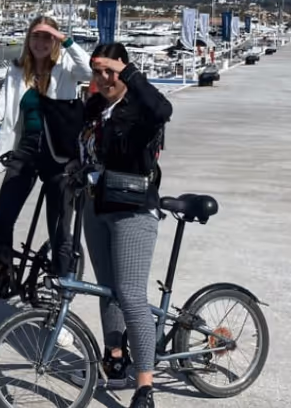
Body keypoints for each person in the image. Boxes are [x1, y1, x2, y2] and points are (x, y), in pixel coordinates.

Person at [0, 15, 92, 295]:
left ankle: (59, 299)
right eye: (36, 36)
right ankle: (3, 272)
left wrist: (67, 39)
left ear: (55, 41)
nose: (40, 43)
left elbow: (89, 72)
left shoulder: (66, 66)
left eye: (47, 37)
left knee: (60, 229)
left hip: (60, 155)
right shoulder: (17, 70)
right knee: (2, 218)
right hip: (26, 149)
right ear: (28, 39)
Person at [81, 42, 173, 408]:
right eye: (98, 72)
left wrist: (130, 72)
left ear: (123, 71)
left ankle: (145, 386)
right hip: (95, 206)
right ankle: (116, 358)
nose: (104, 79)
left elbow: (164, 109)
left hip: (133, 209)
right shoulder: (94, 107)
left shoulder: (140, 108)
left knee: (131, 293)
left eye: (111, 72)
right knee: (107, 289)